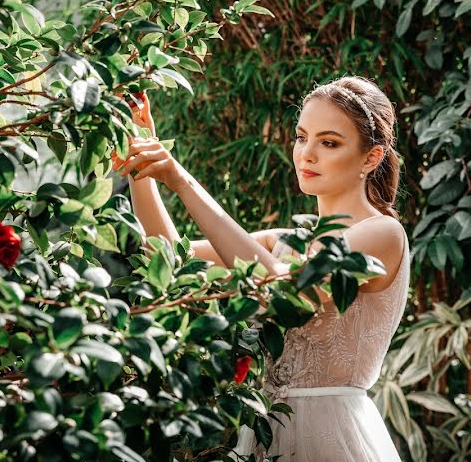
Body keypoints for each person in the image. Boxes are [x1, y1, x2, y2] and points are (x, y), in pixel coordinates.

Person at [113, 76, 409, 461]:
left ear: (371, 157)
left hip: (335, 436)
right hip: (264, 432)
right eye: (302, 137)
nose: (308, 154)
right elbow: (169, 257)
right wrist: (142, 161)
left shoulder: (383, 234)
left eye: (329, 142)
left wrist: (181, 180)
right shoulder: (282, 242)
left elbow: (283, 292)